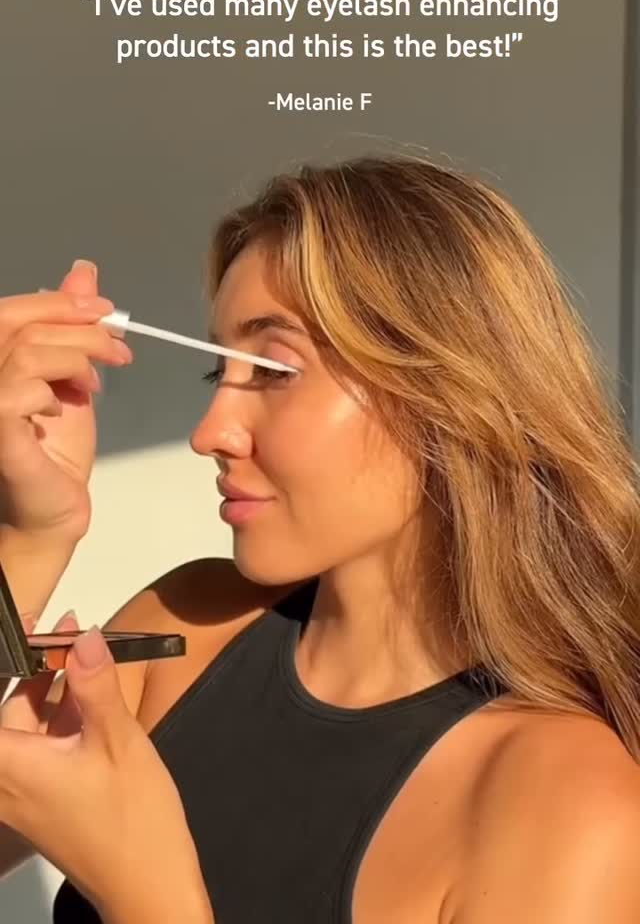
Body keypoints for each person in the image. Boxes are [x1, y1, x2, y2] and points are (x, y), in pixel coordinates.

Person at [0, 153, 639, 924]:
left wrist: (142, 889)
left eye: (272, 370)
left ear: (449, 394)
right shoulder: (186, 631)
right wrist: (36, 534)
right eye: (218, 375)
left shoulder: (567, 803)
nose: (210, 432)